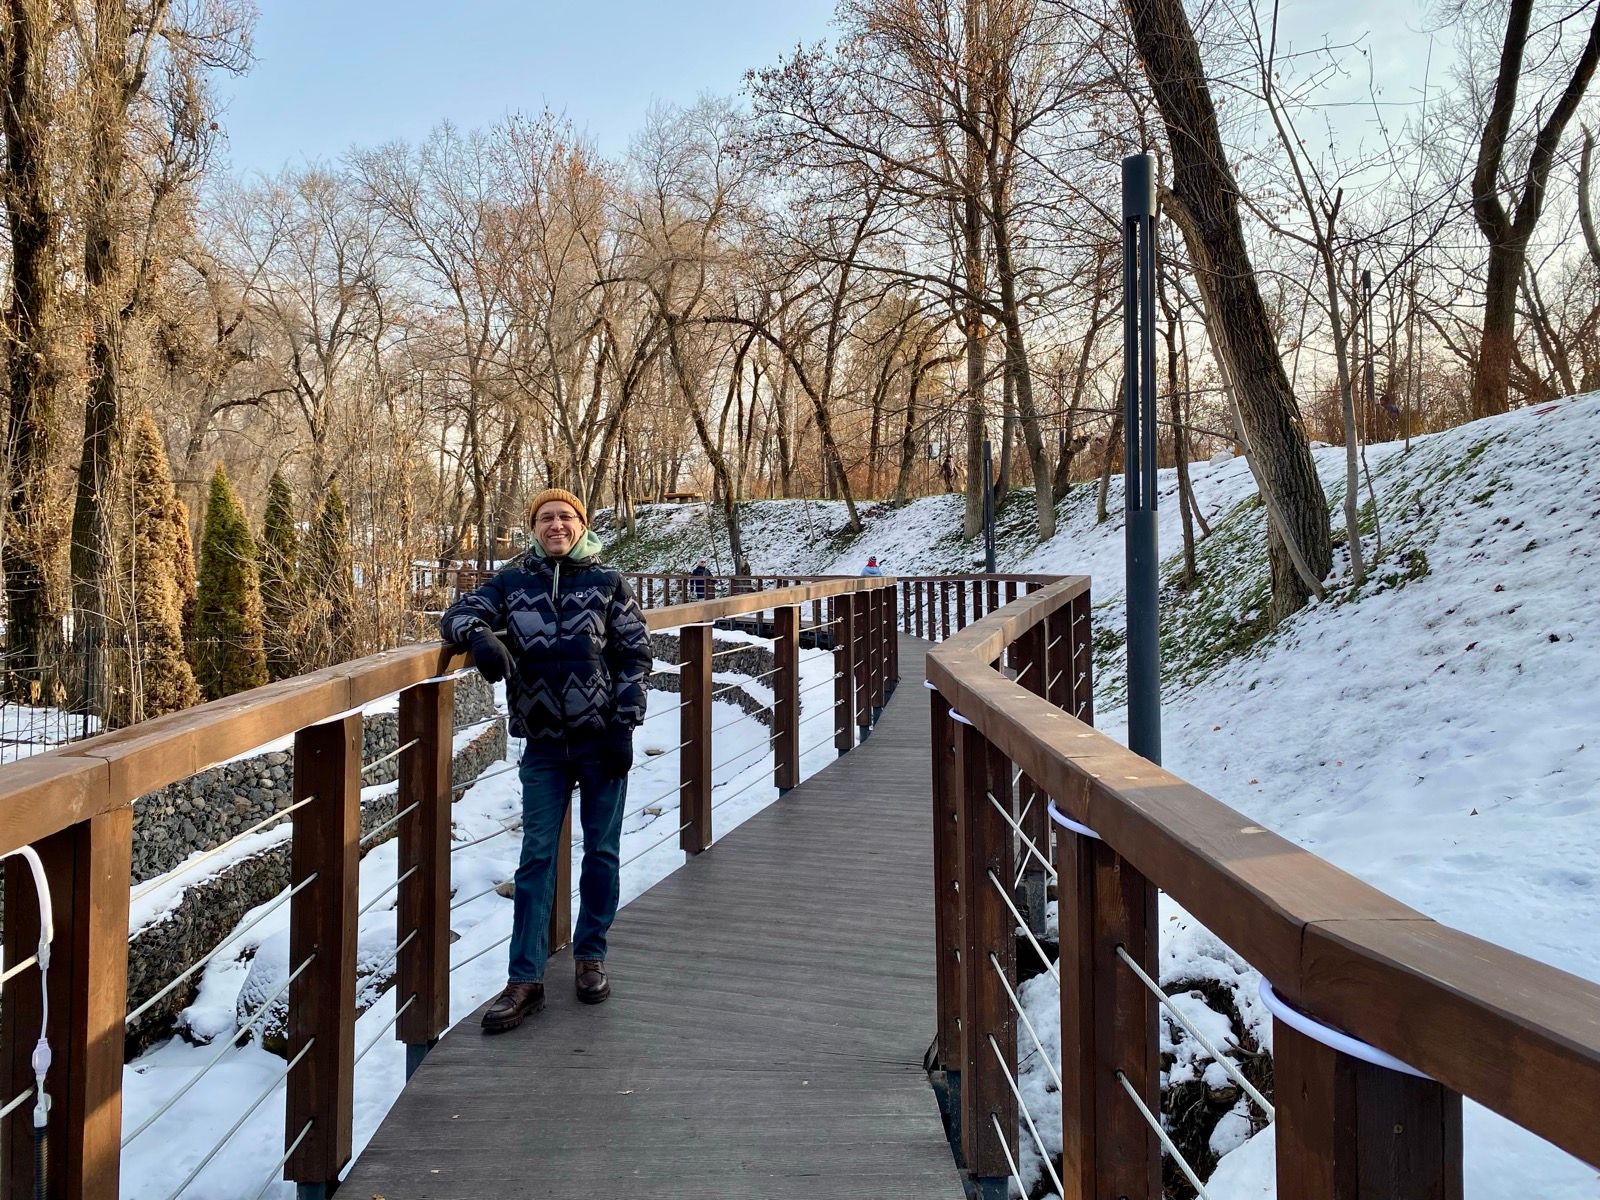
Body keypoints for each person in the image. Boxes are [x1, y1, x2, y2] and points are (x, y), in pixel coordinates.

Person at [441, 487, 651, 1033]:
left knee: (601, 852)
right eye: (545, 518)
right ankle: (525, 979)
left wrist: (624, 725)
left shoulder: (608, 582)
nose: (556, 525)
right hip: (543, 746)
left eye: (565, 517)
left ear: (582, 524)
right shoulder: (513, 581)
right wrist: (480, 636)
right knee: (535, 859)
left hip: (601, 741)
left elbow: (634, 655)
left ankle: (590, 957)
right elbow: (457, 613)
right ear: (533, 528)